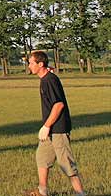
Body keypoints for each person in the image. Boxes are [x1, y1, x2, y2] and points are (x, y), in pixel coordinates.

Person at [24, 51, 85, 196]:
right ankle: (42, 191)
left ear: (40, 64)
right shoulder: (45, 79)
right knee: (42, 157)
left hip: (58, 129)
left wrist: (46, 126)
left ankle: (80, 193)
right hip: (51, 129)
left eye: (31, 63)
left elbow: (58, 105)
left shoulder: (49, 80)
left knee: (66, 164)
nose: (29, 66)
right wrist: (47, 128)